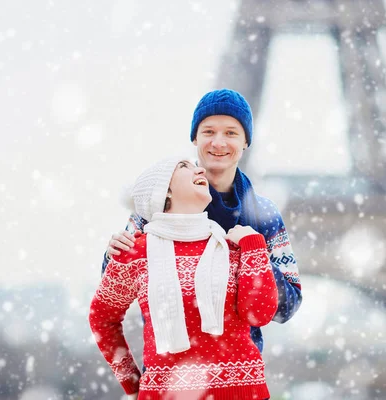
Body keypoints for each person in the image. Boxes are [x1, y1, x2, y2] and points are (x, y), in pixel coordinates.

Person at [90, 157, 279, 399]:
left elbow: (259, 314)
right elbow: (101, 320)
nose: (199, 168)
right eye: (183, 166)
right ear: (164, 191)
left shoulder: (234, 247)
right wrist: (133, 383)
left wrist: (254, 245)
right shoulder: (134, 253)